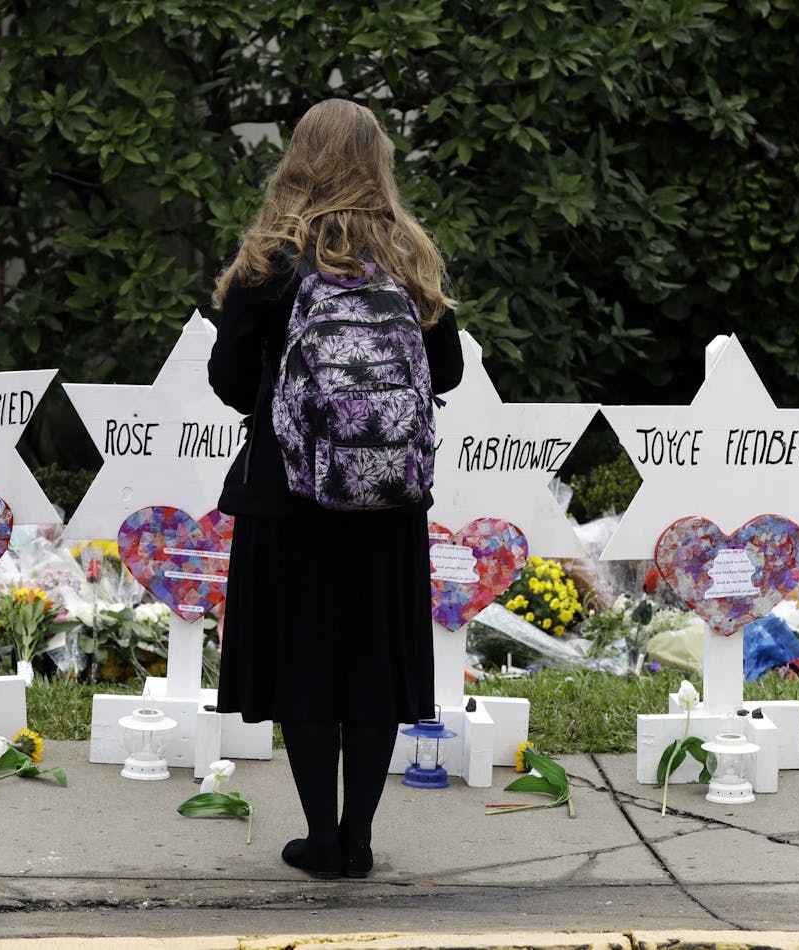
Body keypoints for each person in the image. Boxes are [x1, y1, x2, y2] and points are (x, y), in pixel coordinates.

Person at [207, 98, 464, 880]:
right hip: (387, 505)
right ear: (377, 162)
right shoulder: (408, 254)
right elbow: (447, 371)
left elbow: (227, 381)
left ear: (298, 160)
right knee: (373, 670)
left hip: (290, 500)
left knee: (308, 667)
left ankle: (320, 839)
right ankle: (360, 838)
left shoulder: (271, 258)